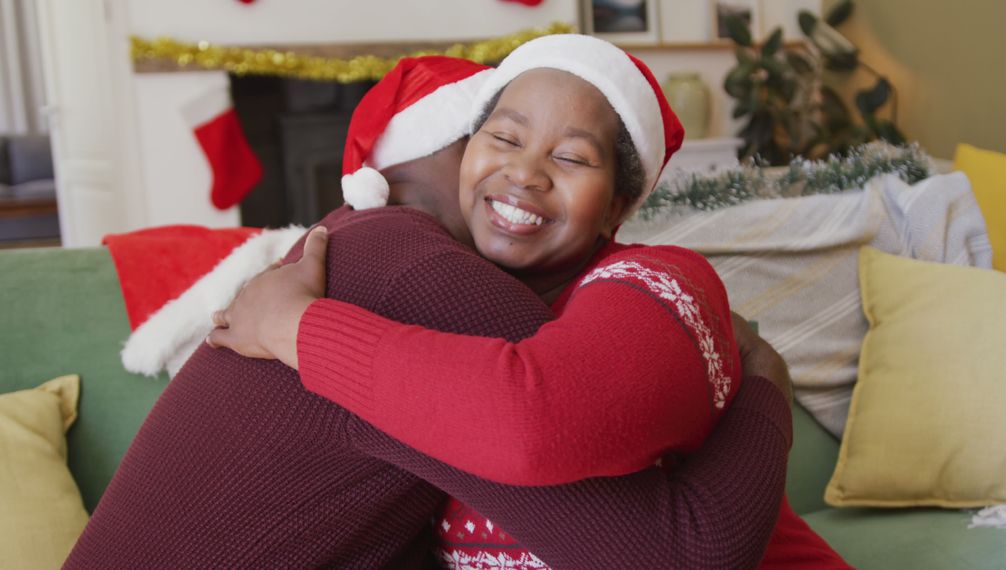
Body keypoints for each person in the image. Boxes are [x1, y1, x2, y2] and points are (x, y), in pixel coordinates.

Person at [65, 55, 800, 569]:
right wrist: (766, 385)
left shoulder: (351, 250)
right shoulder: (423, 277)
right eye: (502, 135)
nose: (522, 171)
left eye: (570, 156)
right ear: (457, 142)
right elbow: (683, 550)